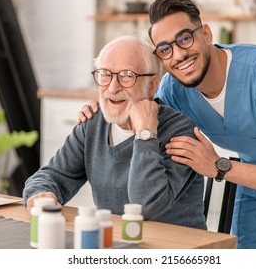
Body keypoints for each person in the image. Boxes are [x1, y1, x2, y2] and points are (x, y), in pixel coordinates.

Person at [77, 0, 256, 249]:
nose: (178, 54)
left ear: (206, 34)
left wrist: (219, 166)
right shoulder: (173, 89)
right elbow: (138, 105)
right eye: (166, 49)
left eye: (185, 38)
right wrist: (103, 107)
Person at [23, 35, 207, 230]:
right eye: (105, 74)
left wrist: (145, 133)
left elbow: (145, 206)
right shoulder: (93, 123)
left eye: (127, 75)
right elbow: (52, 175)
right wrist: (40, 193)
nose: (112, 87)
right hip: (115, 244)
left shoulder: (180, 131)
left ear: (152, 85)